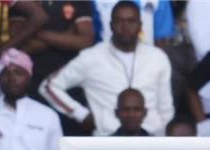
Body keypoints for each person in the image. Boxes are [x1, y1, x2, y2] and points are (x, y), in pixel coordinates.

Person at [40, 0, 174, 136]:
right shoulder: (91, 57)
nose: (125, 26)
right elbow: (48, 86)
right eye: (119, 21)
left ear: (140, 26)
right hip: (107, 142)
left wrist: (164, 140)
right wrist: (81, 114)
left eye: (131, 21)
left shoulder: (157, 57)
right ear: (111, 25)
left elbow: (166, 108)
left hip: (152, 141)